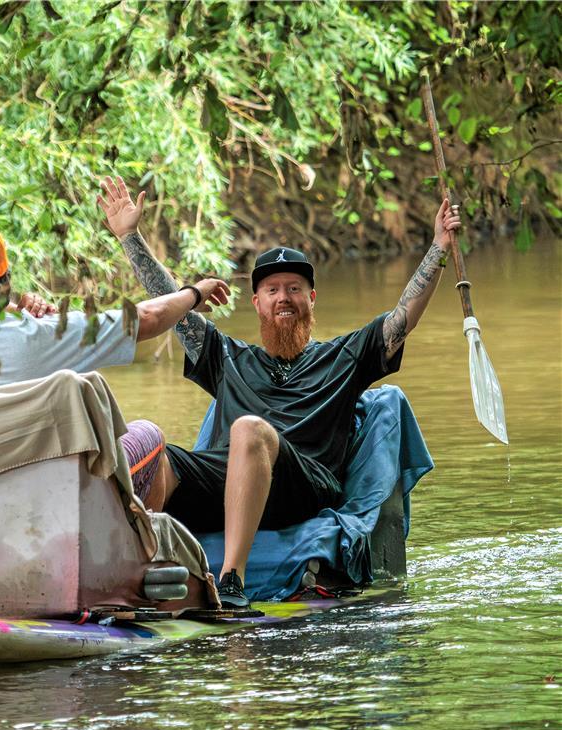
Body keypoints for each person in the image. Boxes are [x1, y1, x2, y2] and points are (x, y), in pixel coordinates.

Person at [97, 174, 461, 609]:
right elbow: (168, 304)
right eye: (271, 290)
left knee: (251, 430)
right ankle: (146, 575)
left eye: (293, 289)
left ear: (312, 299)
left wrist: (439, 247)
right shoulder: (227, 356)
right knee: (158, 453)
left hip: (304, 484)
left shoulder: (343, 356)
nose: (283, 298)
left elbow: (404, 317)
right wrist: (129, 236)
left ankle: (229, 582)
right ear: (256, 303)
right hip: (229, 480)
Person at [0, 223, 230, 390]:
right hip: (25, 479)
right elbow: (147, 318)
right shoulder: (42, 334)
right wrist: (194, 293)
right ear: (5, 280)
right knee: (147, 434)